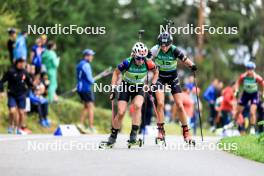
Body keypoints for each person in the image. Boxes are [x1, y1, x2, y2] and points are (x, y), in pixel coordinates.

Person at [100, 42, 158, 148]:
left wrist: (153, 85)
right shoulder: (127, 62)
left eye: (142, 58)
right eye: (138, 58)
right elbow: (116, 73)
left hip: (139, 87)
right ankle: (112, 138)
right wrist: (113, 89)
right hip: (126, 86)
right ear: (134, 55)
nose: (141, 61)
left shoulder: (148, 63)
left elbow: (156, 72)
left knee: (137, 106)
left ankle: (133, 137)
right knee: (121, 112)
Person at [150, 32, 197, 144]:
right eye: (162, 45)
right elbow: (145, 59)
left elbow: (185, 60)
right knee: (160, 103)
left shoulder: (175, 50)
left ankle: (186, 132)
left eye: (166, 45)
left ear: (170, 44)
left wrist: (193, 66)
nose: (164, 47)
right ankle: (161, 131)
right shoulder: (155, 49)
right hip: (160, 78)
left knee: (180, 105)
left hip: (173, 78)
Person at [0, 58, 33, 134]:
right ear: (17, 63)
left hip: (22, 95)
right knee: (12, 111)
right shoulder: (11, 71)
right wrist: (1, 91)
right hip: (12, 94)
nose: (22, 65)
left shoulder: (25, 72)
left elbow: (29, 83)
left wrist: (29, 88)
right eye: (21, 63)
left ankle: (18, 128)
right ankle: (11, 126)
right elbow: (1, 81)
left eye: (23, 63)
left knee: (21, 113)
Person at [234, 61, 264, 134]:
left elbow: (263, 84)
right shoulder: (243, 76)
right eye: (248, 69)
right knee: (238, 111)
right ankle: (234, 124)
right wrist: (236, 90)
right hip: (245, 94)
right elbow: (237, 82)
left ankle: (252, 128)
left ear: (253, 69)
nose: (249, 70)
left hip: (254, 94)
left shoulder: (257, 77)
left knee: (252, 111)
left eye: (251, 69)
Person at [76, 49, 96, 134]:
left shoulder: (79, 64)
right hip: (86, 88)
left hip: (80, 88)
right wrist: (93, 80)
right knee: (91, 106)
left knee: (86, 106)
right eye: (90, 55)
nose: (92, 57)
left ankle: (81, 124)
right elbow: (90, 79)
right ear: (86, 56)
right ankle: (91, 127)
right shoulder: (86, 65)